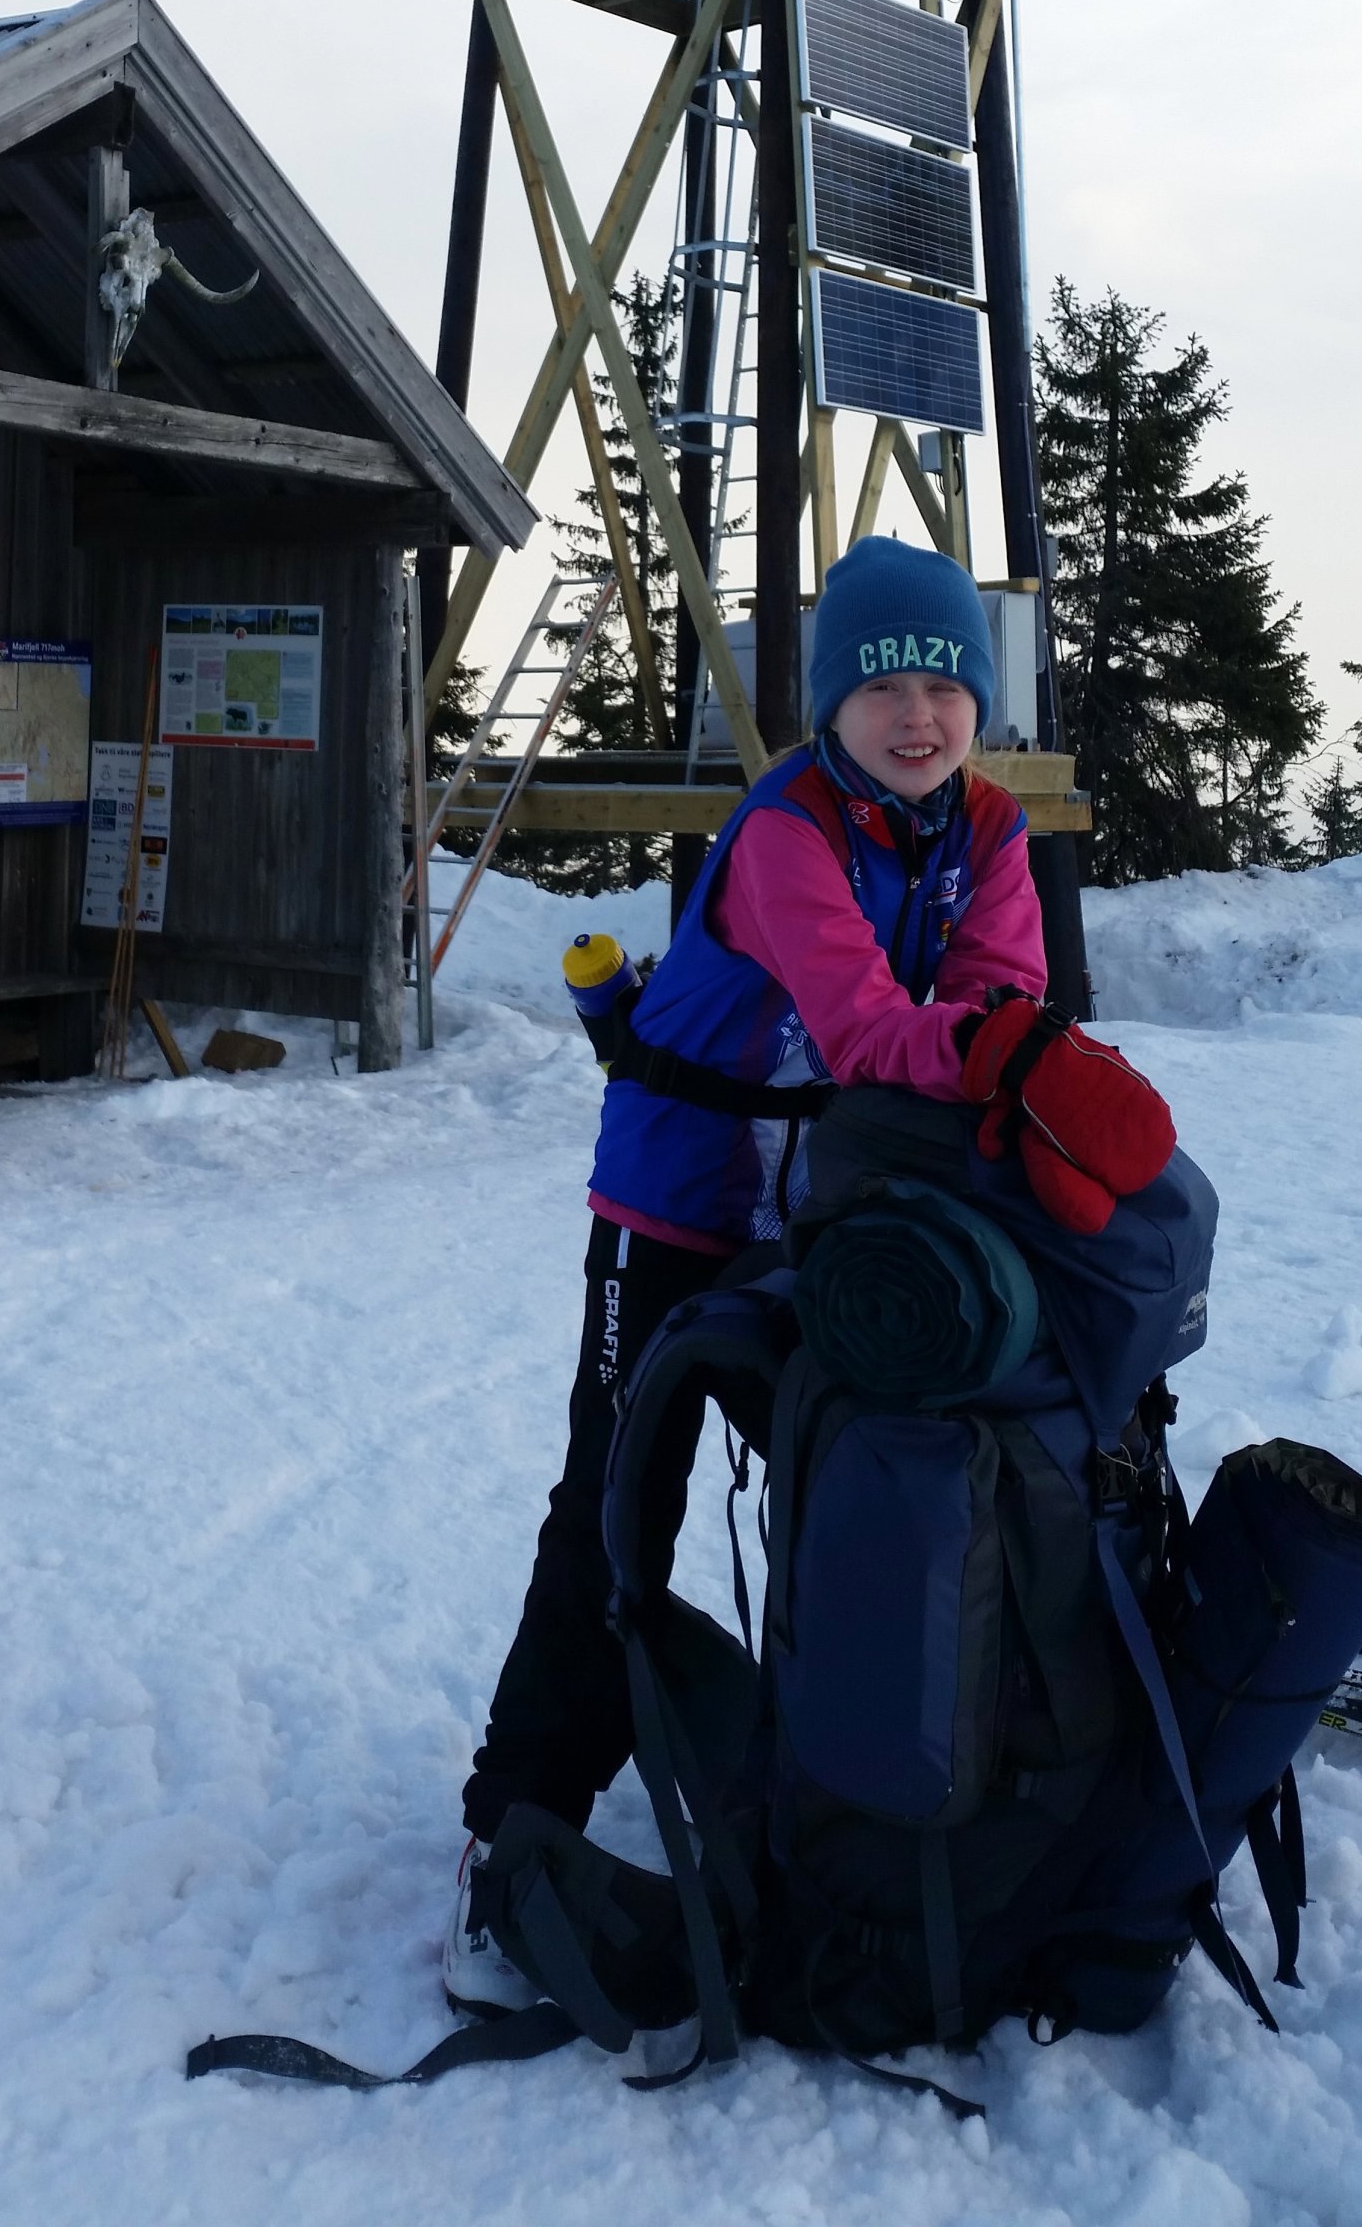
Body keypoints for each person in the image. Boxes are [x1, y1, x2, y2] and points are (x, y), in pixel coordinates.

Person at [444, 535, 1049, 2012]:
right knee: (616, 1500)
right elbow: (866, 1031)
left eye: (946, 683)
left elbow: (1001, 989)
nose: (918, 714)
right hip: (671, 1206)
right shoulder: (788, 833)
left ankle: (834, 1781)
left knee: (849, 1497)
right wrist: (998, 1052)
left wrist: (1004, 1047)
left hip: (819, 1219)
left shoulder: (985, 829)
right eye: (884, 685)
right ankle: (511, 1816)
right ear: (828, 708)